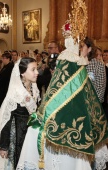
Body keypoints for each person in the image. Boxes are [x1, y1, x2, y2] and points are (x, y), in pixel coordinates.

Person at [17, 1, 108, 169]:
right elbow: (57, 87)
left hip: (83, 106)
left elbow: (97, 89)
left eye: (80, 44)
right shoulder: (68, 59)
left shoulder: (76, 61)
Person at [0, 57, 40, 170]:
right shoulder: (16, 92)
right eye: (33, 69)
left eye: (37, 69)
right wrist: (4, 146)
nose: (37, 72)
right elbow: (6, 119)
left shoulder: (34, 87)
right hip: (17, 136)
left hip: (30, 134)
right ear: (23, 73)